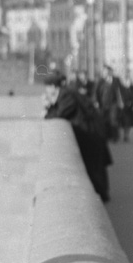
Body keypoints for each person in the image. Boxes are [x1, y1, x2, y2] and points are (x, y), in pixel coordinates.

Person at [43, 71, 112, 202]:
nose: (46, 90)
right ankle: (103, 195)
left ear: (52, 86)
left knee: (93, 167)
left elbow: (62, 112)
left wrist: (48, 109)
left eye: (47, 87)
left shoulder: (65, 94)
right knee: (96, 166)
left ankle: (103, 196)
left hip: (90, 134)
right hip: (92, 132)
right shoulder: (66, 92)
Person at [94, 65, 125, 143]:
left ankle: (115, 137)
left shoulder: (116, 80)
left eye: (108, 72)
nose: (106, 73)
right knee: (104, 120)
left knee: (113, 119)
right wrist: (96, 101)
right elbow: (95, 92)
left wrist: (121, 102)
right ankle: (106, 136)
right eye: (105, 72)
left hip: (113, 103)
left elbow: (120, 91)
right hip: (103, 104)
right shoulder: (100, 81)